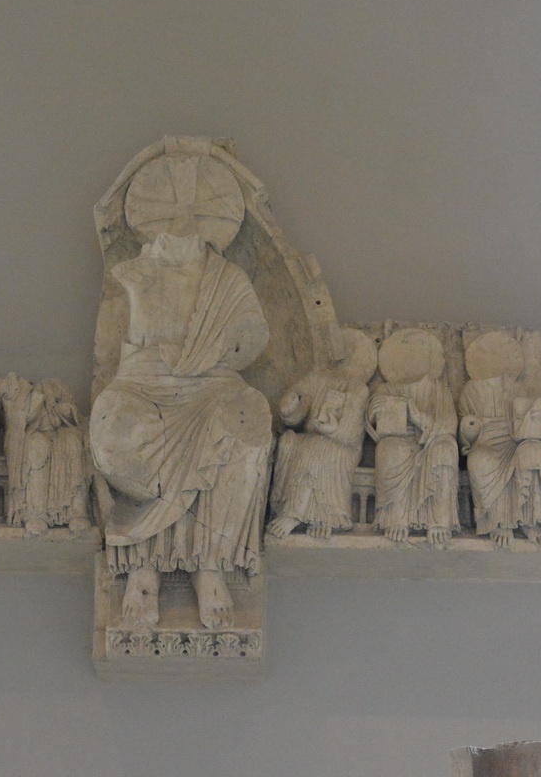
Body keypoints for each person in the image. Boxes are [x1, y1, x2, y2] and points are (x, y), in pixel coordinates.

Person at [90, 230, 271, 630]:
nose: (179, 228)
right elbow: (115, 347)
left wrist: (221, 346)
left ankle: (209, 565)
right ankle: (143, 565)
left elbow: (251, 341)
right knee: (117, 428)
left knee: (243, 425)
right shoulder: (136, 270)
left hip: (212, 381)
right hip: (142, 380)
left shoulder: (228, 278)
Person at [267, 328, 377, 539]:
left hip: (341, 446)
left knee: (316, 446)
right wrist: (290, 406)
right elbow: (297, 406)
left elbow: (352, 432)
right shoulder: (316, 378)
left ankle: (308, 514)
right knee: (288, 441)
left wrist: (329, 429)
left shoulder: (357, 388)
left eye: (332, 347)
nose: (327, 350)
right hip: (312, 437)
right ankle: (291, 509)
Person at [459, 331, 541, 547]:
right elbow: (463, 431)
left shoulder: (517, 387)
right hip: (485, 440)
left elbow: (527, 419)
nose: (496, 361)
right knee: (479, 459)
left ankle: (530, 520)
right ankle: (499, 521)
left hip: (514, 439)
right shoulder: (470, 389)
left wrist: (537, 415)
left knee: (533, 451)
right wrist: (469, 427)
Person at [365, 328, 460, 545]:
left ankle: (439, 520)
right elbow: (371, 424)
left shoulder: (439, 389)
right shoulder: (387, 388)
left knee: (445, 448)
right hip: (398, 439)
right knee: (390, 449)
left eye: (420, 351)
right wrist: (374, 412)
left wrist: (417, 416)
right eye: (407, 351)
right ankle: (396, 518)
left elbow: (449, 426)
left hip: (432, 441)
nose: (413, 356)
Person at [2, 374, 91, 536]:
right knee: (37, 448)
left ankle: (76, 511)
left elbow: (72, 413)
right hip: (31, 435)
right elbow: (16, 421)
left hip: (60, 433)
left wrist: (62, 408)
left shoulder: (58, 385)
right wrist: (36, 402)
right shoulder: (16, 389)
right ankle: (35, 514)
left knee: (73, 443)